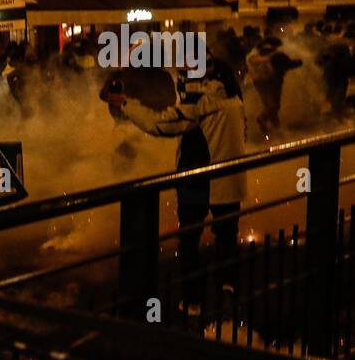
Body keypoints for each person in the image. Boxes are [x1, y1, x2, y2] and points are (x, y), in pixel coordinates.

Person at [106, 59, 247, 311]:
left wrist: (126, 104)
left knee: (189, 241)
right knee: (227, 240)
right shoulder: (234, 99)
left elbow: (161, 124)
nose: (181, 83)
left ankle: (193, 301)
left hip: (198, 181)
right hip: (230, 180)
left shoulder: (203, 102)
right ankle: (230, 294)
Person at [246, 37, 302, 134]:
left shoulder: (258, 53)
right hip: (267, 80)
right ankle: (263, 118)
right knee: (273, 105)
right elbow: (259, 61)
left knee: (270, 105)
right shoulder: (255, 55)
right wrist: (274, 55)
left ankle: (275, 127)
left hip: (260, 81)